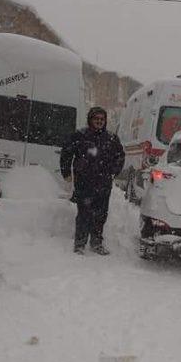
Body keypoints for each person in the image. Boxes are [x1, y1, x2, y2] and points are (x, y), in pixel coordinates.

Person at [60, 106, 125, 255]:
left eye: (102, 119)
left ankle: (96, 243)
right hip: (84, 182)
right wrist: (66, 173)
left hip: (103, 183)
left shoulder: (111, 138)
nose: (99, 122)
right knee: (84, 213)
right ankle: (80, 244)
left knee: (101, 214)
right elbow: (66, 153)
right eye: (96, 119)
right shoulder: (80, 135)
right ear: (90, 120)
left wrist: (113, 172)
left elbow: (120, 156)